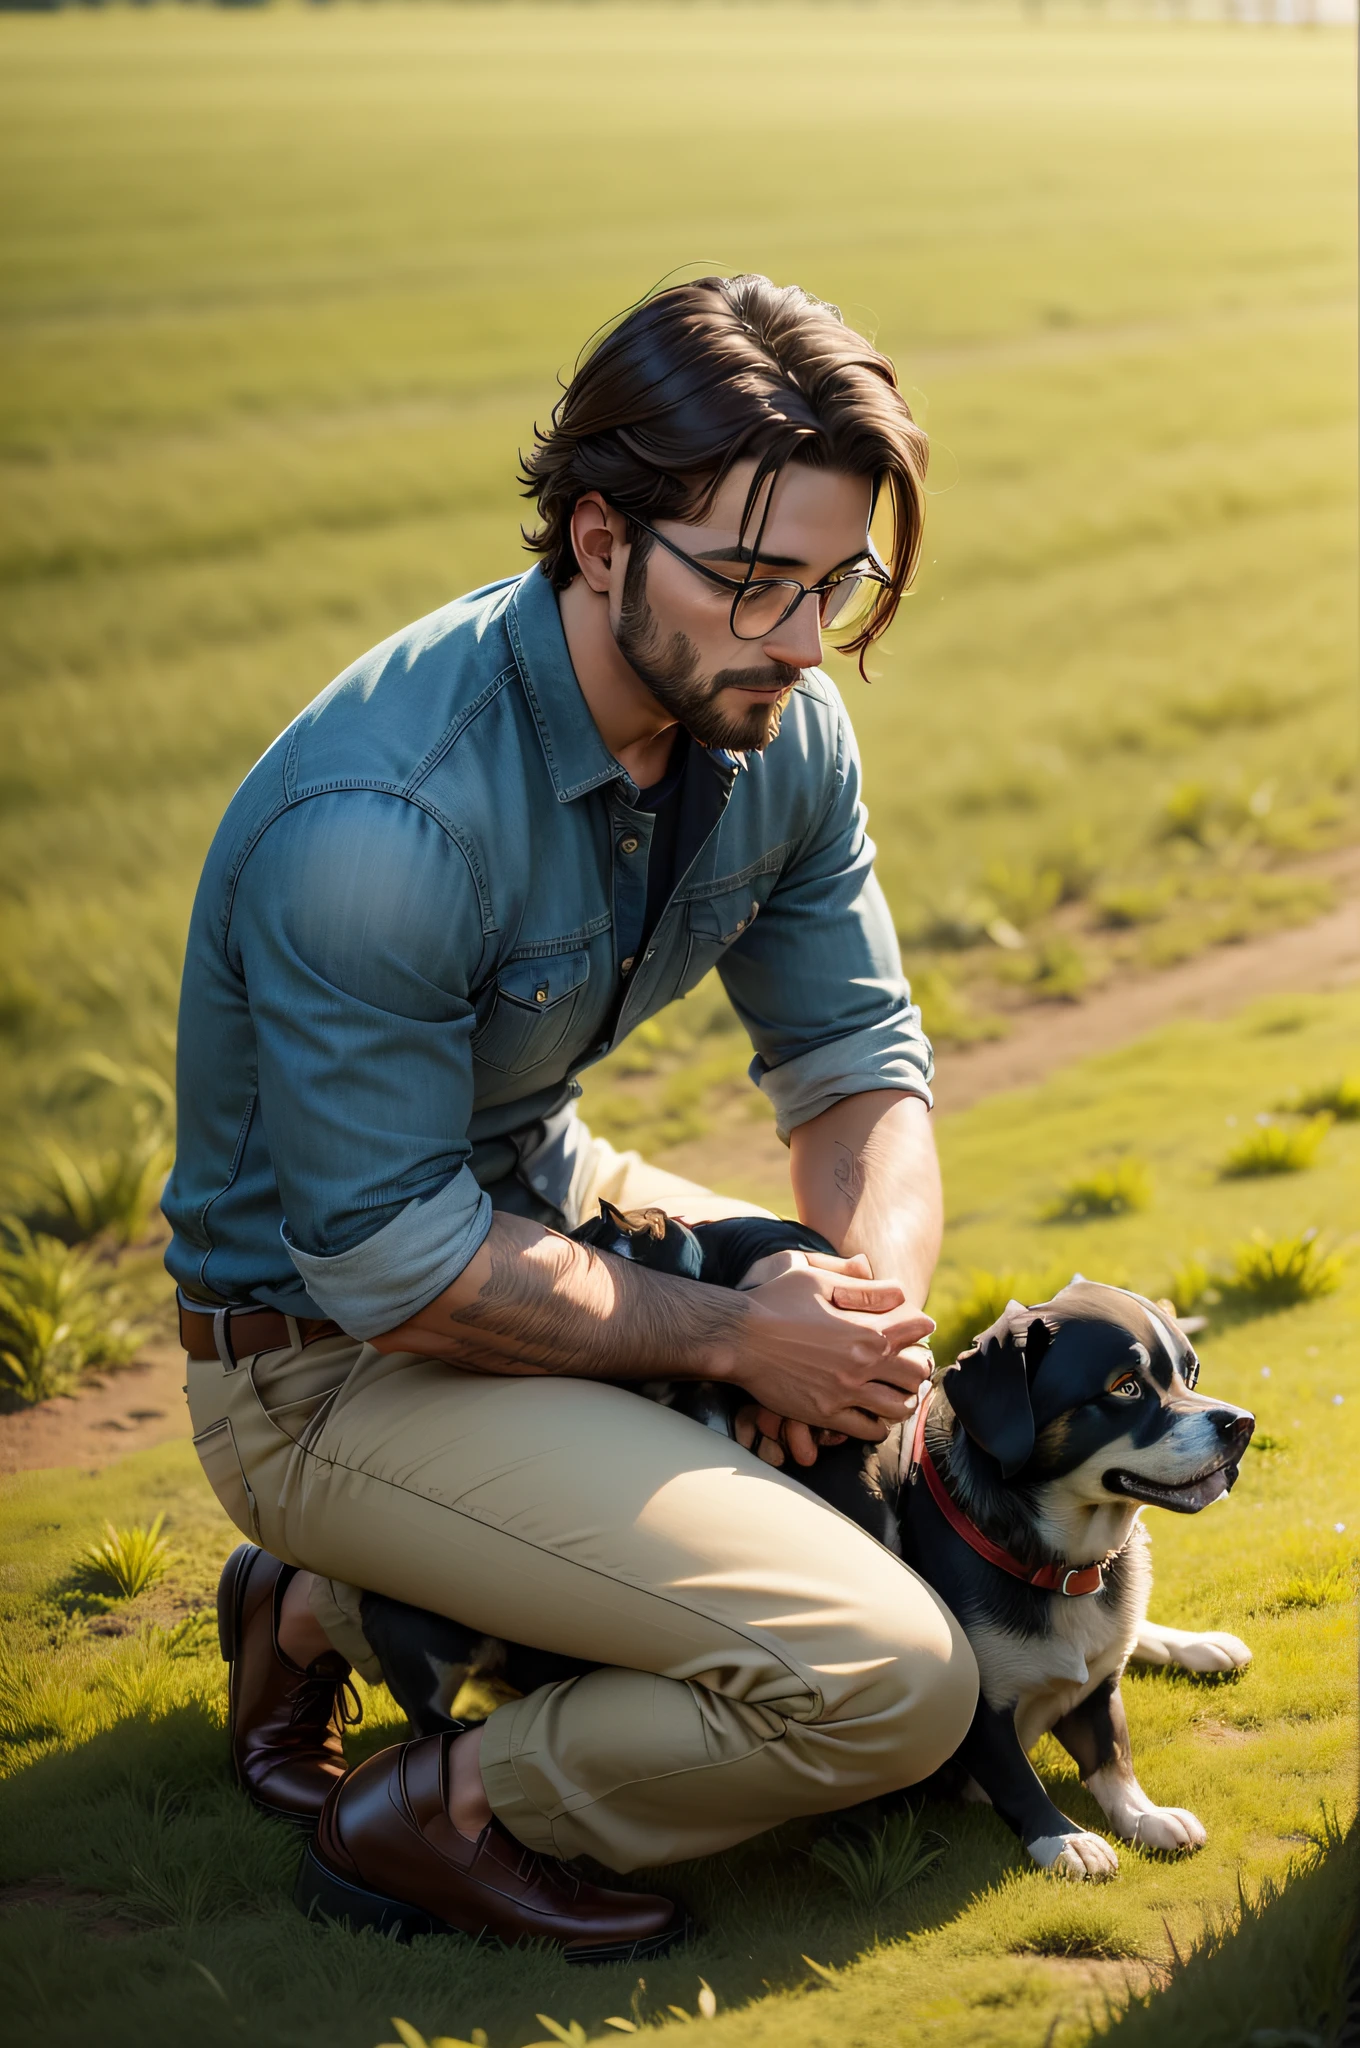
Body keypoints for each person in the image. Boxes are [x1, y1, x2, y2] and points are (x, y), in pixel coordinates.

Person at [164, 273, 979, 1961]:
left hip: (540, 1206)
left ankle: (324, 1613)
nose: (806, 638)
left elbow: (856, 1067)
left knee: (894, 1442)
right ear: (600, 540)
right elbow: (395, 1265)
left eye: (839, 581)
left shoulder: (775, 721)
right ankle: (445, 1808)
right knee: (888, 1683)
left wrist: (856, 1322)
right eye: (754, 582)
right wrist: (731, 1344)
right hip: (325, 1352)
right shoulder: (385, 822)